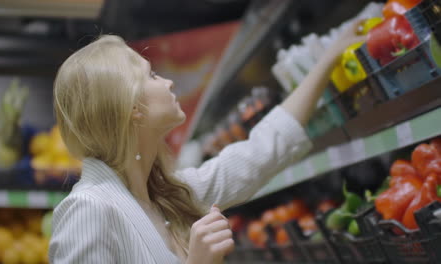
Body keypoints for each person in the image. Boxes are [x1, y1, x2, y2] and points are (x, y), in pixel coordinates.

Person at [49, 21, 364, 264]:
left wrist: (326, 61)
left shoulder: (169, 196)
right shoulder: (89, 209)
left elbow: (261, 152)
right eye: (152, 76)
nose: (169, 81)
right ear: (131, 108)